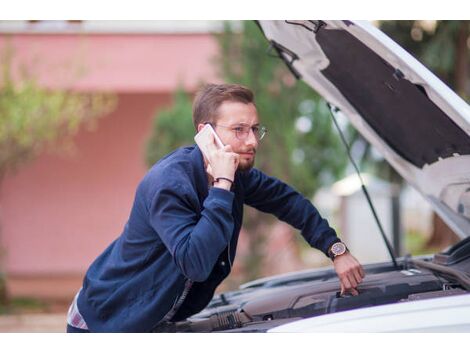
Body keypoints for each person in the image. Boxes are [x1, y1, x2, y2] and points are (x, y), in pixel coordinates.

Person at [66, 83, 365, 333]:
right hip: (105, 321)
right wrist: (222, 185)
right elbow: (194, 262)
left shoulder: (239, 175)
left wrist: (335, 249)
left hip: (156, 317)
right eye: (239, 129)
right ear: (206, 133)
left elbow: (287, 201)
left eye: (255, 129)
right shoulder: (169, 184)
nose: (251, 141)